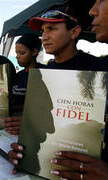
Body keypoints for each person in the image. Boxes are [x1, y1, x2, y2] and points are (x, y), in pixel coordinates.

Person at [8, 4, 108, 177]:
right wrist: (27, 149)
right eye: (42, 30)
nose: (44, 37)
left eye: (52, 29)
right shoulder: (43, 73)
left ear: (74, 32)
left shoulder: (97, 70)